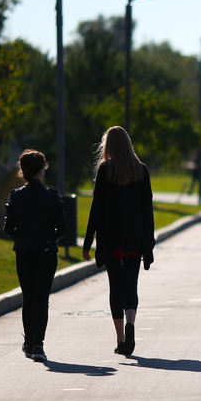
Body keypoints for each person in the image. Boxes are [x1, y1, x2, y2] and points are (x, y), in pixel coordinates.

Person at [82, 126, 156, 355]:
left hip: (111, 239)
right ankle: (131, 323)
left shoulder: (105, 170)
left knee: (115, 287)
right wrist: (149, 244)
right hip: (134, 238)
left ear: (108, 146)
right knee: (131, 285)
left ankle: (121, 338)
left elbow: (96, 209)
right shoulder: (141, 170)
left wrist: (88, 241)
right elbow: (147, 211)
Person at [3, 150, 66, 362]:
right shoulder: (52, 196)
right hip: (46, 252)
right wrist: (50, 238)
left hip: (24, 252)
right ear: (41, 170)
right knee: (42, 298)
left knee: (28, 297)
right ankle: (38, 343)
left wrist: (21, 238)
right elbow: (63, 227)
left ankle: (29, 342)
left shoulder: (16, 196)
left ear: (23, 171)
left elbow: (8, 227)